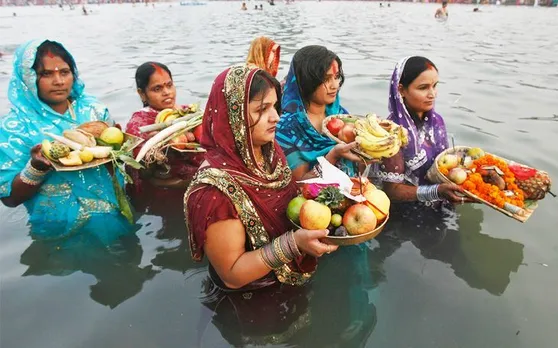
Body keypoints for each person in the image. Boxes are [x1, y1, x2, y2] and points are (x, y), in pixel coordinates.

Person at [185, 65, 338, 291]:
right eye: (261, 109)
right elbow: (232, 275)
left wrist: (333, 158)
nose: (276, 117)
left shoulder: (267, 150)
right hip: (251, 299)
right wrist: (294, 243)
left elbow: (291, 196)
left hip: (289, 280)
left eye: (274, 106)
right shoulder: (213, 192)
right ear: (233, 116)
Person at [0, 40, 133, 244]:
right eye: (46, 74)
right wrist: (36, 167)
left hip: (113, 216)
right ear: (28, 78)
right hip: (58, 230)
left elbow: (118, 168)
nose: (59, 81)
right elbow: (10, 198)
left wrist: (118, 150)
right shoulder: (15, 127)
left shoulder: (93, 111)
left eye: (64, 72)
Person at [371, 56, 473, 205]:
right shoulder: (392, 132)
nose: (432, 94)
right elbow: (391, 191)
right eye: (423, 88)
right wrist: (436, 191)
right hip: (405, 213)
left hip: (442, 201)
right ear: (401, 90)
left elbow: (442, 166)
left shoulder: (437, 122)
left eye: (435, 86)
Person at [275, 45, 361, 180]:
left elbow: (356, 167)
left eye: (337, 77)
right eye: (326, 79)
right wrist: (333, 155)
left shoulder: (340, 115)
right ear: (306, 82)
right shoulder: (286, 128)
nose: (335, 85)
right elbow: (299, 184)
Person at [125, 62, 203, 191]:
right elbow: (141, 172)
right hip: (164, 193)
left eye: (169, 85)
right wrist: (155, 147)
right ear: (142, 94)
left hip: (196, 183)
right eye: (157, 89)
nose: (167, 92)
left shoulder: (188, 113)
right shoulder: (138, 125)